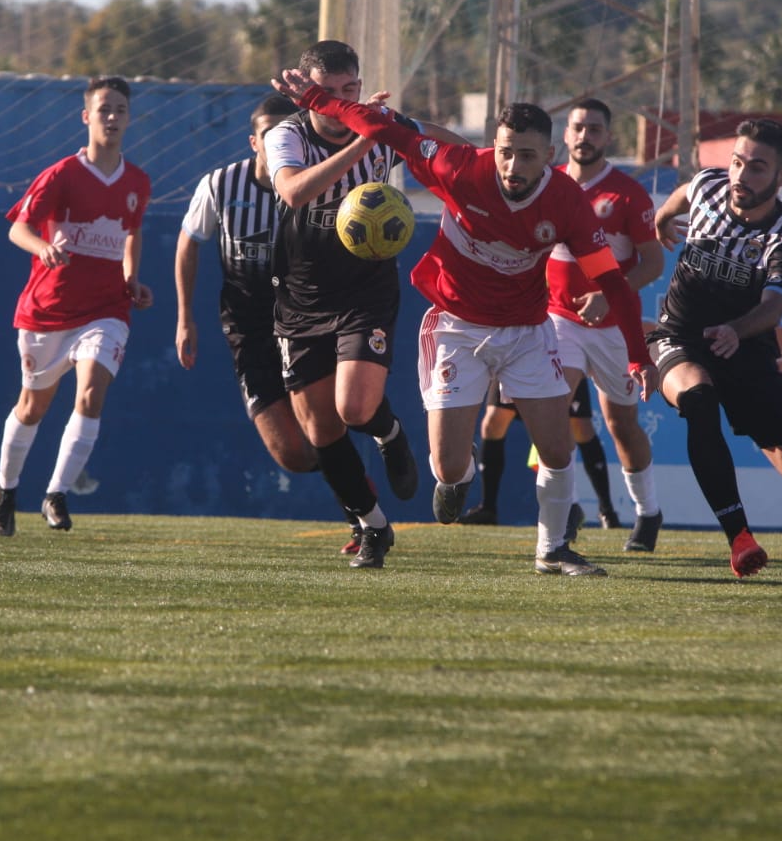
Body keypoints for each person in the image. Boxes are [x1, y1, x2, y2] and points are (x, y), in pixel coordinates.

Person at [272, 69, 659, 577]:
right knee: (449, 467)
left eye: (525, 154)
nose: (512, 164)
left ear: (549, 157)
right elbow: (385, 130)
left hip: (526, 331)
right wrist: (322, 100)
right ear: (491, 148)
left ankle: (552, 550)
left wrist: (636, 355)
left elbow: (613, 285)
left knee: (558, 447)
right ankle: (457, 476)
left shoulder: (566, 201)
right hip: (456, 327)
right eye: (504, 151)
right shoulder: (459, 168)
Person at [649, 118, 782, 585]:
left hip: (745, 350)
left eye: (757, 168)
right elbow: (685, 191)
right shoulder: (709, 186)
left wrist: (735, 330)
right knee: (698, 399)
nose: (741, 176)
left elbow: (774, 306)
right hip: (679, 338)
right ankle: (739, 537)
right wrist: (663, 218)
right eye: (738, 162)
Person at [262, 41, 429, 570]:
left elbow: (437, 144)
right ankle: (373, 526)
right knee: (320, 431)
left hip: (366, 289)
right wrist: (364, 140)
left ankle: (389, 432)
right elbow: (292, 192)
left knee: (353, 408)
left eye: (349, 91)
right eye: (327, 93)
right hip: (302, 294)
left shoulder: (381, 123)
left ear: (360, 86)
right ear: (309, 97)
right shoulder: (285, 134)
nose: (339, 102)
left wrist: (488, 158)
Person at [177, 94, 364, 551]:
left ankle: (364, 520)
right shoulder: (221, 186)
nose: (282, 144)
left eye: (290, 134)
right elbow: (189, 243)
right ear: (253, 142)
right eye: (270, 136)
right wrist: (185, 318)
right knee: (295, 455)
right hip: (250, 331)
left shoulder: (316, 186)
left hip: (307, 323)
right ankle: (354, 478)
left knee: (329, 424)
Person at [0, 75, 154, 537]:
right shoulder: (61, 174)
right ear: (86, 116)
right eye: (104, 109)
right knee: (32, 406)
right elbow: (16, 230)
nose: (113, 117)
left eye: (120, 109)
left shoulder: (137, 181)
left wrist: (131, 280)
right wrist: (43, 248)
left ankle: (56, 494)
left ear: (129, 118)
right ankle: (7, 487)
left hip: (106, 309)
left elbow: (132, 233)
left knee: (90, 393)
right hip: (49, 309)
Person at [544, 97, 666, 552]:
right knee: (551, 410)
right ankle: (568, 506)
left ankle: (648, 512)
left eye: (594, 129)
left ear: (607, 137)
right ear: (565, 133)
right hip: (559, 320)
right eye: (577, 127)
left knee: (620, 423)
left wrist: (607, 294)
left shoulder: (627, 194)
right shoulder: (546, 184)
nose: (584, 137)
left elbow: (653, 263)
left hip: (614, 327)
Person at [458, 381, 620, 536]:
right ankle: (487, 508)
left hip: (556, 359)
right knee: (493, 421)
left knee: (579, 426)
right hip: (510, 358)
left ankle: (606, 511)